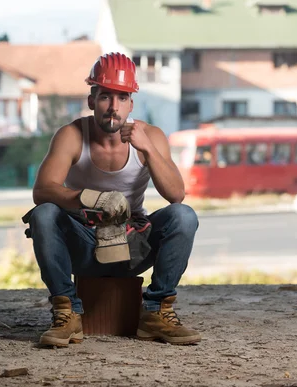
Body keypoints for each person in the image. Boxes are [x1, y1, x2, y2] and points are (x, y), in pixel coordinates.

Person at [25, 52, 201, 347]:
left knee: (184, 215)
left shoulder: (151, 136)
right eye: (106, 96)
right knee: (43, 214)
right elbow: (42, 190)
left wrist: (148, 149)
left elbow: (175, 194)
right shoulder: (71, 135)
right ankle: (67, 314)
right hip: (83, 243)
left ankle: (156, 312)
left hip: (132, 244)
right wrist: (89, 198)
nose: (113, 107)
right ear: (92, 100)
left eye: (122, 98)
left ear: (131, 103)